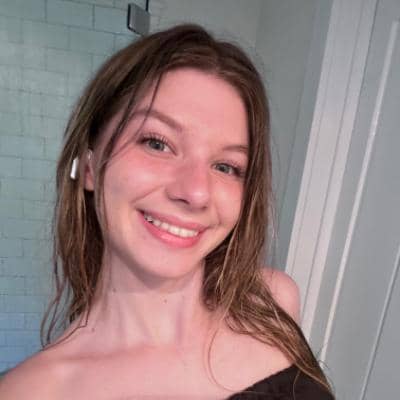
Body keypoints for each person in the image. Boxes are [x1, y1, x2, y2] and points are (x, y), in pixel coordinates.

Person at [0, 24, 334, 399]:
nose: (195, 192)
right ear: (90, 166)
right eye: (157, 143)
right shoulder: (30, 392)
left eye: (226, 166)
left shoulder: (272, 302)